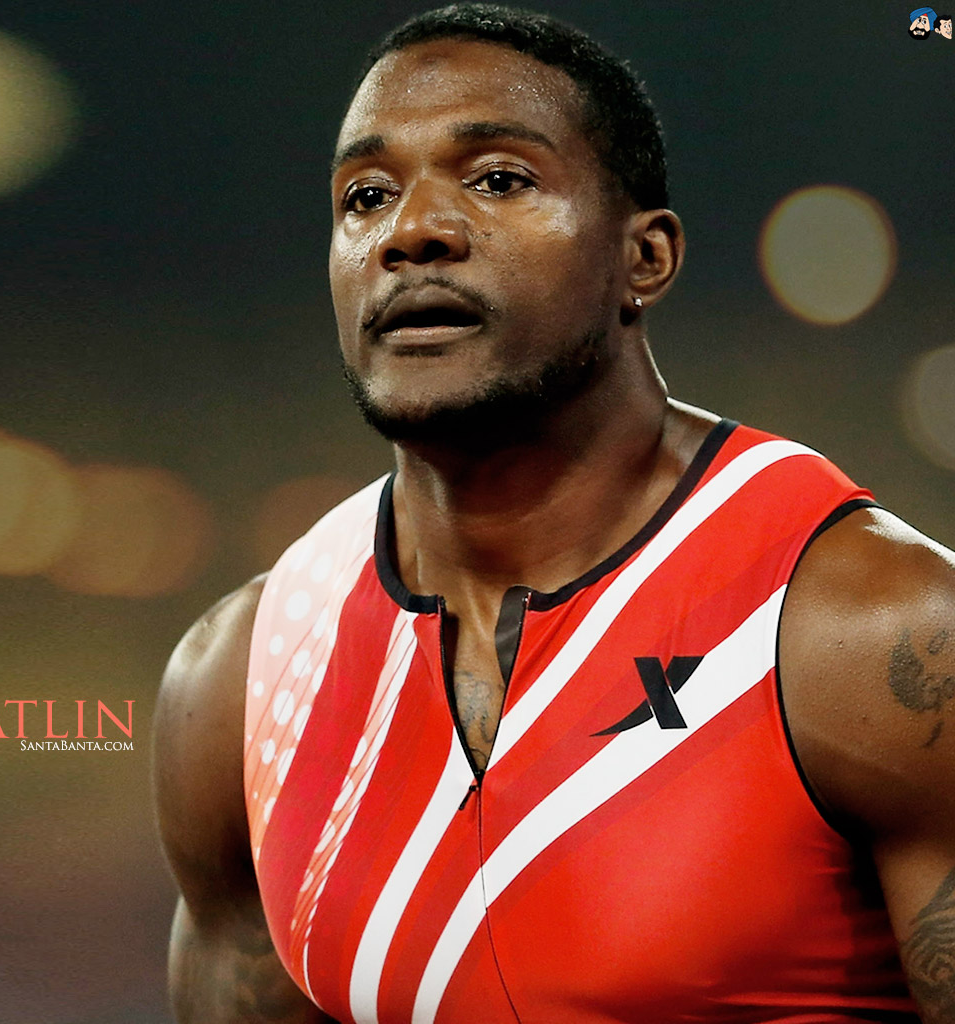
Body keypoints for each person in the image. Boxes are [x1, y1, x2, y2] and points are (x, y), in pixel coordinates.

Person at [153, 5, 955, 1021]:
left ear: (644, 257)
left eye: (497, 179)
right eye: (365, 196)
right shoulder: (243, 683)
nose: (411, 232)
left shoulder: (874, 637)